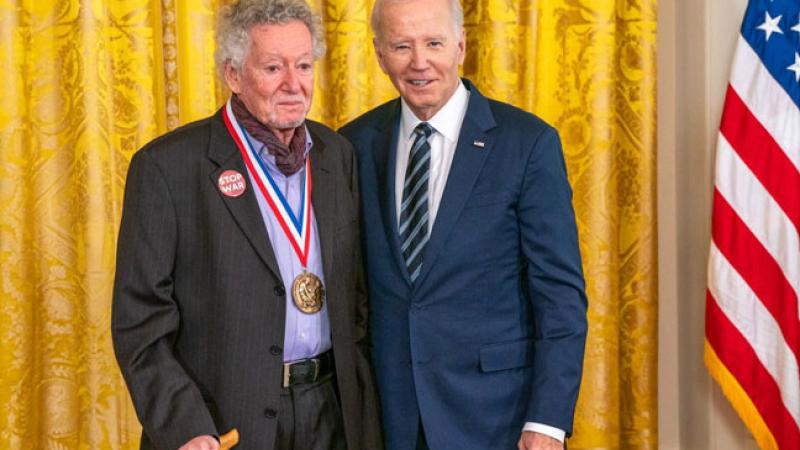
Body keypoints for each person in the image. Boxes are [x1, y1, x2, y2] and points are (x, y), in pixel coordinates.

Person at [112, 1, 382, 449]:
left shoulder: (337, 156)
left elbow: (356, 299)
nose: (293, 84)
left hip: (332, 412)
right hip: (223, 420)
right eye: (273, 68)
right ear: (233, 75)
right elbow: (139, 321)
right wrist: (185, 427)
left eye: (302, 65)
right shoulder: (167, 167)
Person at [339, 0, 588, 449]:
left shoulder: (527, 144)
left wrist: (548, 421)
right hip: (387, 419)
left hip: (497, 419)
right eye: (401, 46)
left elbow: (560, 296)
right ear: (379, 53)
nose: (420, 62)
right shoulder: (353, 145)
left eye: (433, 43)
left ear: (460, 45)